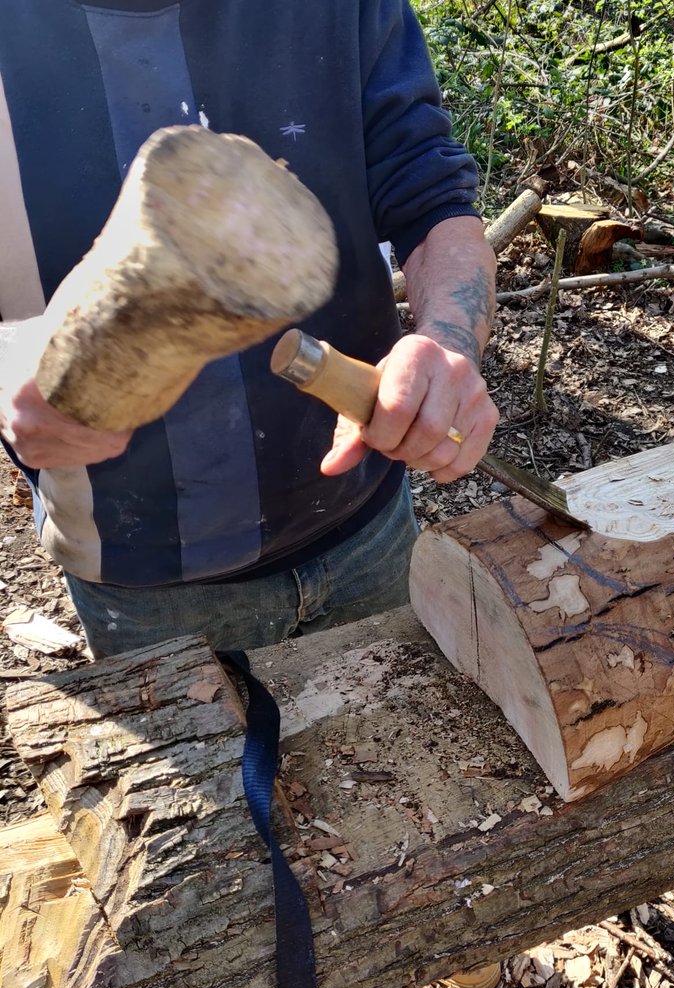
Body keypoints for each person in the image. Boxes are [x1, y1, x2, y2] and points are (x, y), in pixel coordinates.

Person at [0, 0, 499, 658]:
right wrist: (10, 368)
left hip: (367, 527)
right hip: (142, 579)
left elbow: (431, 190)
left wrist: (450, 339)